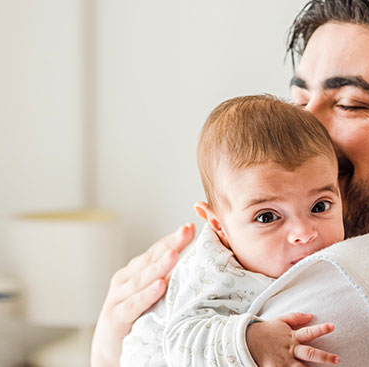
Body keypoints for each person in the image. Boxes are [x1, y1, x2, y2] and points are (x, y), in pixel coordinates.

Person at [92, 0, 369, 366]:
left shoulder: (358, 285)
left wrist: (110, 348)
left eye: (350, 104)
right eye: (298, 101)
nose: (304, 130)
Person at [120, 95, 344, 366]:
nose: (304, 232)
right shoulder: (213, 272)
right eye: (267, 217)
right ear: (218, 225)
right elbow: (180, 342)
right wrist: (251, 342)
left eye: (320, 206)